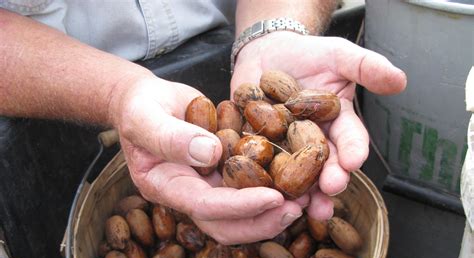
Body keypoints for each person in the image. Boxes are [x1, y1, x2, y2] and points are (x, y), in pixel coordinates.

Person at [0, 1, 406, 244]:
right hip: (44, 91)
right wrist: (116, 93)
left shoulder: (275, 116)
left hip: (233, 47)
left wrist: (277, 28)